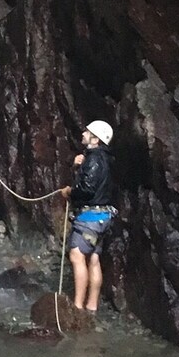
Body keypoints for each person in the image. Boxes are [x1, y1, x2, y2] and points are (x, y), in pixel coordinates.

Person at [59, 120, 117, 315]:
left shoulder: (94, 160)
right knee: (93, 258)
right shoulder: (106, 159)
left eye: (88, 131)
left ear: (96, 139)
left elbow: (86, 189)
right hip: (103, 217)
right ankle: (92, 307)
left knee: (77, 255)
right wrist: (78, 168)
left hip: (89, 218)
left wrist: (70, 192)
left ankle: (77, 306)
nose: (83, 133)